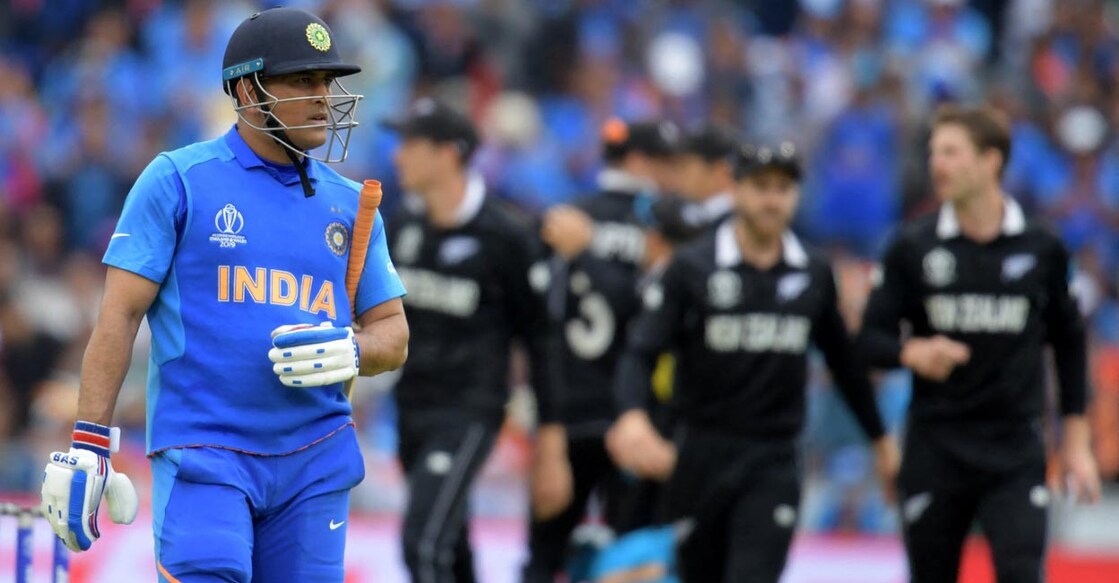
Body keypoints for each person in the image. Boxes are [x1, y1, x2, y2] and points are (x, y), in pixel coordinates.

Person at [38, 8, 409, 582]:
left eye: (327, 82)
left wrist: (354, 351)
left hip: (317, 456)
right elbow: (119, 315)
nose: (323, 97)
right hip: (205, 451)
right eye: (302, 81)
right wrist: (89, 443)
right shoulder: (178, 179)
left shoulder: (351, 202)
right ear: (247, 90)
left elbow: (394, 334)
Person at [607, 142, 900, 583]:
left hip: (773, 456)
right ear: (738, 190)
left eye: (783, 189)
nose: (772, 200)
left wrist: (880, 441)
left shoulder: (812, 272)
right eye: (761, 187)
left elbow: (845, 364)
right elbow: (641, 351)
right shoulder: (693, 267)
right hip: (701, 455)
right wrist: (631, 416)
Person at [859, 104, 1101, 583]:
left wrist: (1076, 443)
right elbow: (868, 339)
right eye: (934, 153)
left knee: (1020, 573)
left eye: (951, 152)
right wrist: (912, 353)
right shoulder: (913, 246)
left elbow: (1070, 344)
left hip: (1014, 449)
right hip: (936, 446)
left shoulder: (1041, 247)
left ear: (991, 161)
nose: (937, 165)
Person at [383, 98, 552, 583]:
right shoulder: (401, 226)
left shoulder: (505, 237)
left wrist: (550, 433)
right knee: (450, 543)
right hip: (411, 404)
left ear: (448, 154)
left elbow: (539, 335)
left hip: (469, 409)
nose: (398, 155)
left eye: (411, 143)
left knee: (424, 544)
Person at [524, 118, 680, 583]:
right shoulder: (665, 222)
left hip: (566, 407)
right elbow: (663, 314)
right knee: (633, 553)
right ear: (641, 162)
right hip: (637, 414)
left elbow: (537, 317)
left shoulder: (566, 214)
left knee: (544, 552)